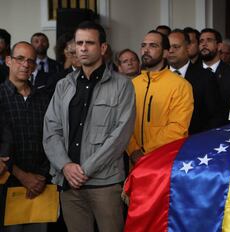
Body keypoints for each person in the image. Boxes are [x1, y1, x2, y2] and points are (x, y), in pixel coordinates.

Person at [43, 21, 135, 232]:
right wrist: (66, 166)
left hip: (105, 184)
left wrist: (84, 170)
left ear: (103, 48)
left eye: (90, 43)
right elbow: (51, 130)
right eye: (79, 43)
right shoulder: (63, 85)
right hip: (68, 183)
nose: (83, 48)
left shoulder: (123, 85)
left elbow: (120, 136)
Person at [0, 41, 51, 232]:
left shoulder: (44, 98)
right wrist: (23, 176)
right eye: (20, 58)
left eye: (31, 60)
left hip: (40, 184)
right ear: (8, 61)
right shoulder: (0, 96)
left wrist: (41, 177)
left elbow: (52, 138)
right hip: (7, 185)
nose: (25, 64)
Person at [127, 30, 193, 163]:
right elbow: (123, 123)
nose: (146, 50)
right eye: (144, 45)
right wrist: (133, 150)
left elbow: (178, 128)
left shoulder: (180, 85)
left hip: (164, 160)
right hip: (134, 161)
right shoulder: (132, 84)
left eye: (153, 46)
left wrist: (144, 151)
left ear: (165, 53)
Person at [167, 29, 222, 134]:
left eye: (176, 47)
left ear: (187, 48)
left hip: (195, 141)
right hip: (161, 144)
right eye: (168, 47)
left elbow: (214, 116)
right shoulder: (158, 76)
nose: (171, 50)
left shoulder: (206, 76)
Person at [199, 28, 230, 124]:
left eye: (209, 40)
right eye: (201, 41)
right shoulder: (191, 72)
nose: (204, 44)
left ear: (219, 46)